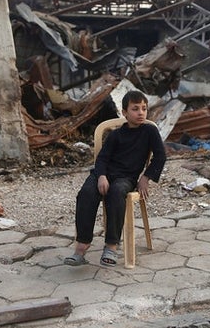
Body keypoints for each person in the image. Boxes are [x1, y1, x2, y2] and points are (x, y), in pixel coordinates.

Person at [64, 90, 166, 267]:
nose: (141, 112)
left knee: (117, 192)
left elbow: (160, 156)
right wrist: (101, 176)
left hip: (126, 177)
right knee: (86, 193)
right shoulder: (116, 134)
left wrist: (146, 177)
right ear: (124, 113)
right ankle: (82, 247)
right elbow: (102, 158)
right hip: (104, 174)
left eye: (144, 108)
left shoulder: (149, 131)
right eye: (135, 109)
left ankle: (111, 246)